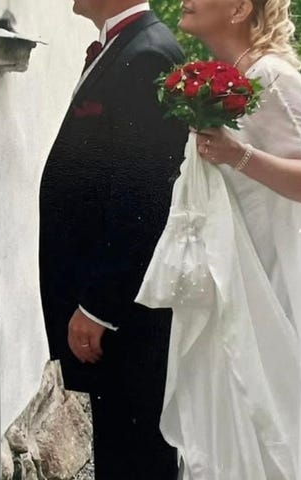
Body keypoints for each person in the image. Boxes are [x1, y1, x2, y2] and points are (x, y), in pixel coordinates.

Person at [151, 0, 301, 478]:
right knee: (238, 406)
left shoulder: (274, 77)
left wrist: (237, 155)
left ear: (240, 8)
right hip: (242, 267)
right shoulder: (222, 77)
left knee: (287, 408)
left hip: (289, 276)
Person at [39, 1, 187, 479]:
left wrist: (101, 306)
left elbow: (144, 195)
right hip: (106, 296)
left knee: (136, 449)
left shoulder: (148, 54)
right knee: (119, 444)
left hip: (124, 307)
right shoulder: (125, 46)